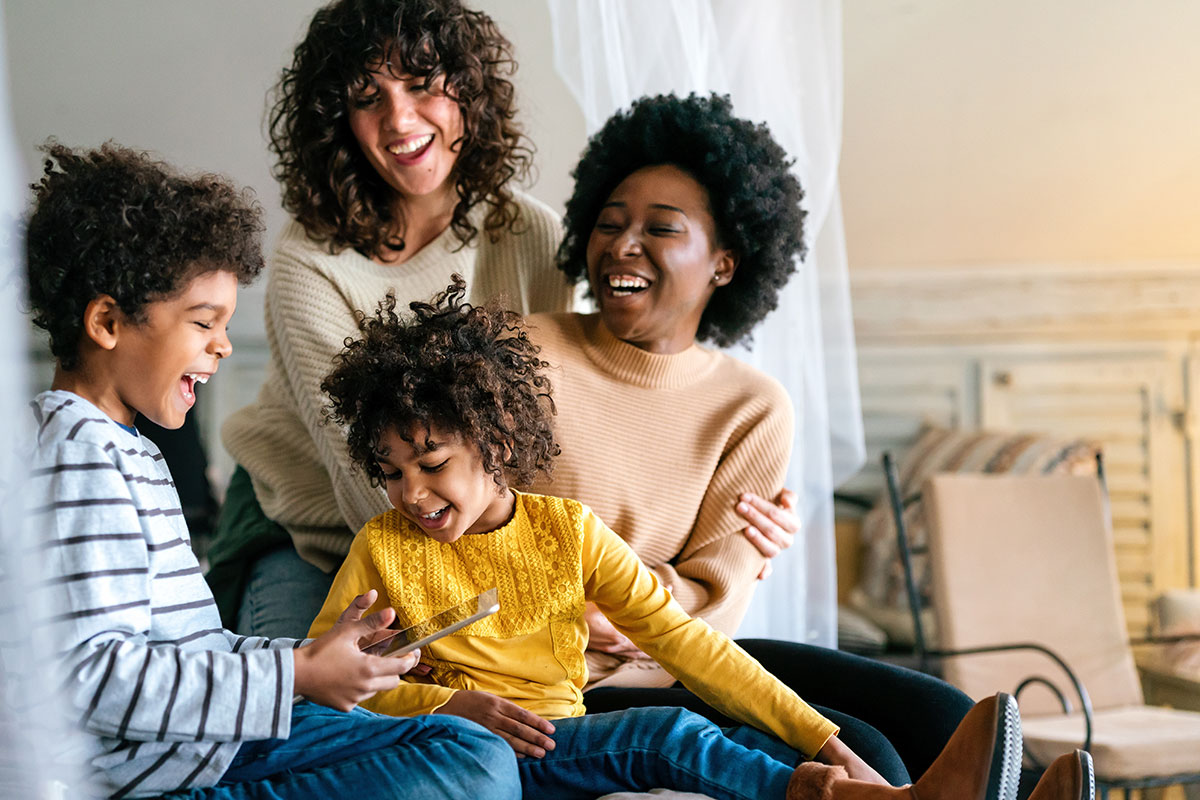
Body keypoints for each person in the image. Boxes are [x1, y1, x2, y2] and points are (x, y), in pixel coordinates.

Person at [309, 278, 1092, 800]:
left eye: (432, 464)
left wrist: (820, 736)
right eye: (390, 472)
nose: (411, 492)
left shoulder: (566, 531)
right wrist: (454, 705)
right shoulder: (384, 549)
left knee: (805, 743)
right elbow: (333, 685)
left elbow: (687, 645)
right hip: (491, 751)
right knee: (675, 735)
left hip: (566, 732)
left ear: (496, 443)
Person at [21, 142, 520, 800]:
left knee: (471, 749)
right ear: (108, 322)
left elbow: (186, 650)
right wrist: (295, 677)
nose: (224, 345)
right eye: (204, 323)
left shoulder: (123, 447)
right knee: (473, 764)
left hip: (207, 742)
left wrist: (309, 662)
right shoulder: (77, 454)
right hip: (171, 771)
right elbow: (88, 677)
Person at [521, 92, 972, 783]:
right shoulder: (521, 355)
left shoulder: (752, 406)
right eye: (609, 224)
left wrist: (630, 604)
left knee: (946, 716)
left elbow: (720, 594)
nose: (623, 244)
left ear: (724, 263)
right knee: (871, 758)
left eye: (661, 229)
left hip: (682, 655)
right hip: (558, 671)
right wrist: (615, 603)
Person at [205, 0, 579, 637]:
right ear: (339, 122)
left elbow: (553, 428)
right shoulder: (310, 261)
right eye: (366, 96)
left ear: (467, 90)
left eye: (422, 83)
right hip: (310, 531)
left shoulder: (531, 235)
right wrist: (503, 601)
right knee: (306, 717)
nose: (399, 119)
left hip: (471, 533)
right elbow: (363, 479)